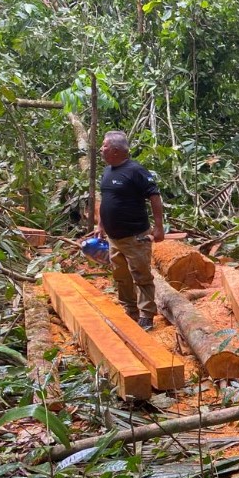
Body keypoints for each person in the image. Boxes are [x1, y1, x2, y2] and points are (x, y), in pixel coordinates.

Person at [94, 131, 165, 331]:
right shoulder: (107, 171)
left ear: (116, 151)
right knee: (121, 276)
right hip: (114, 238)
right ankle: (130, 309)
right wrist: (101, 225)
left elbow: (154, 196)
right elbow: (106, 200)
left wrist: (158, 227)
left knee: (141, 275)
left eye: (104, 146)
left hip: (135, 236)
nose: (101, 149)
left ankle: (147, 315)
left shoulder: (136, 171)